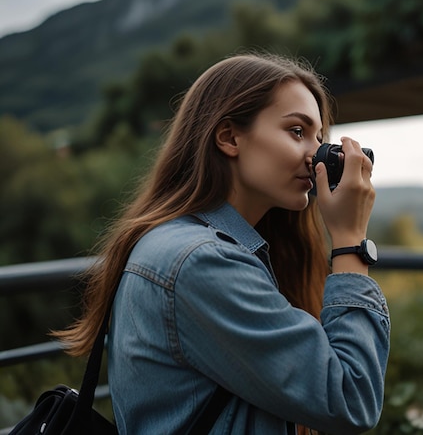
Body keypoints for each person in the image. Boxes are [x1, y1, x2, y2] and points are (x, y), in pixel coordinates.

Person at [54, 53, 390, 434]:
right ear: (229, 137)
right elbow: (351, 399)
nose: (316, 155)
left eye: (318, 137)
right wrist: (349, 241)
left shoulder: (190, 245)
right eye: (297, 131)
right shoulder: (201, 263)